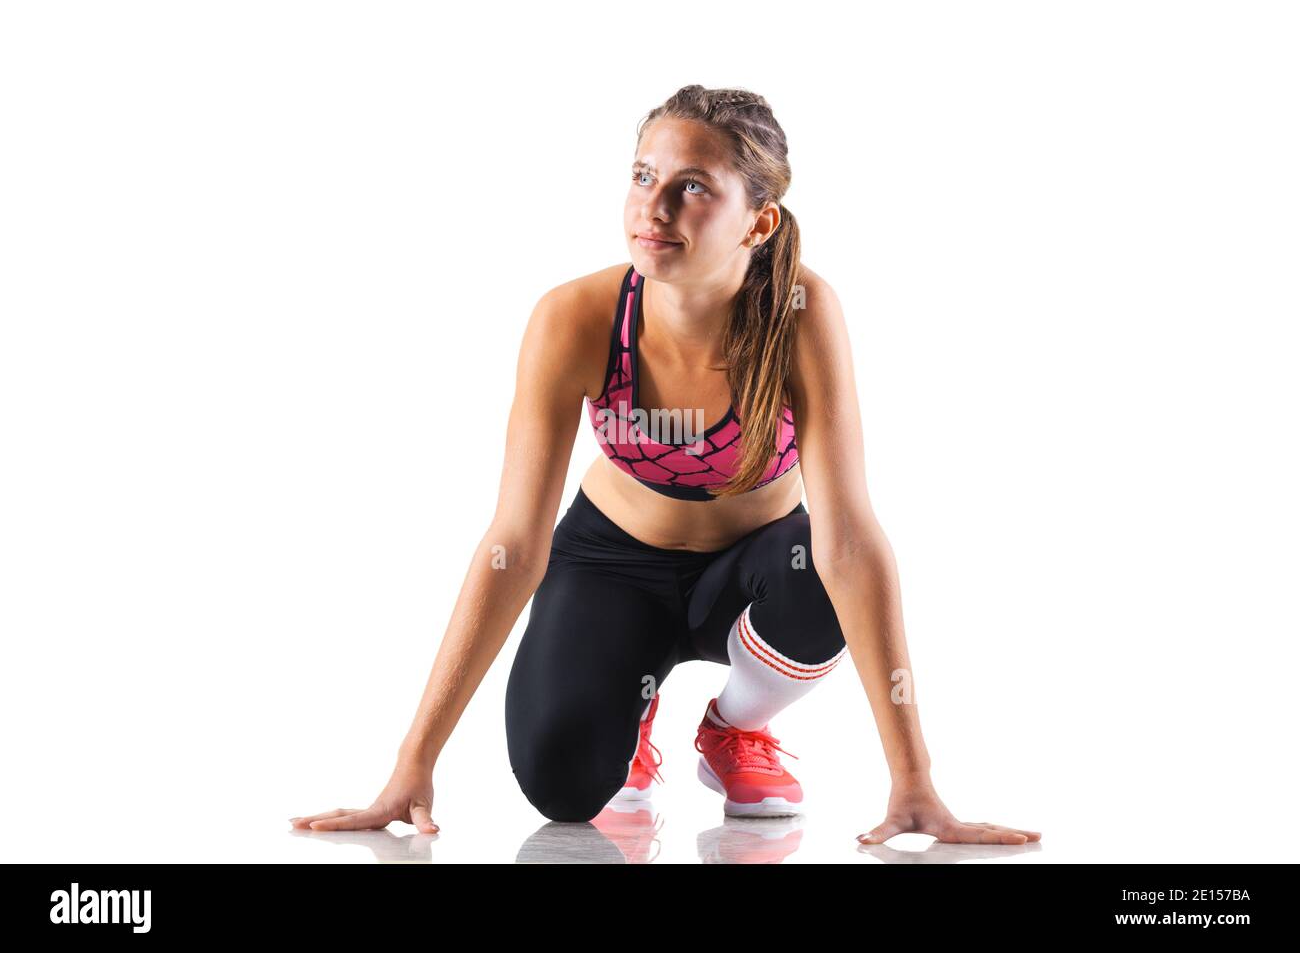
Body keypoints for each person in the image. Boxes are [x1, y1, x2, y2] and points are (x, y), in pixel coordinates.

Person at [290, 85, 1041, 845]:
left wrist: (913, 780)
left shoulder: (800, 315)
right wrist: (413, 762)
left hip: (754, 571)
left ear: (760, 219)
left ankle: (734, 728)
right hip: (609, 559)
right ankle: (630, 699)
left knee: (819, 569)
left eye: (693, 188)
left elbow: (849, 539)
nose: (655, 208)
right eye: (645, 177)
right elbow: (513, 541)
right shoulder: (574, 317)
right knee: (564, 784)